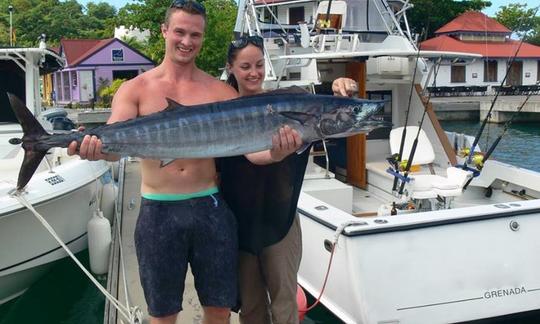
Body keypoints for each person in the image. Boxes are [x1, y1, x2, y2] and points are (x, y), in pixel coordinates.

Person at [68, 2, 298, 324]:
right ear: (165, 31)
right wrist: (93, 147)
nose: (187, 41)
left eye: (195, 34)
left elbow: (252, 151)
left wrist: (279, 151)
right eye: (180, 31)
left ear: (202, 39)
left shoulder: (219, 91)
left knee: (219, 311)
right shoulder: (135, 89)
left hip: (210, 208)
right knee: (163, 315)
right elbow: (114, 146)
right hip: (158, 212)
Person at [218, 35, 357, 324]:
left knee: (285, 305)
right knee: (251, 308)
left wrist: (340, 85)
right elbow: (251, 159)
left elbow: (326, 100)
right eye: (245, 66)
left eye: (259, 64)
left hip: (281, 222)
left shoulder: (292, 98)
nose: (254, 72)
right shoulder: (220, 112)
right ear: (231, 68)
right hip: (240, 226)